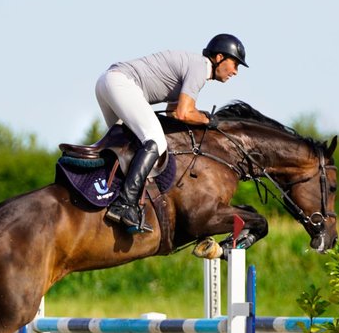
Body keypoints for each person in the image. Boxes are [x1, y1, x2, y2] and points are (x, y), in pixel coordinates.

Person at [97, 34, 247, 233]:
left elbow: (172, 113)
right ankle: (124, 205)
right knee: (155, 142)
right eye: (235, 64)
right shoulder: (201, 67)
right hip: (121, 84)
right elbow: (184, 113)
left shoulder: (193, 66)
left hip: (107, 83)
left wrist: (197, 117)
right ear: (219, 57)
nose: (235, 72)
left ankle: (107, 194)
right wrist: (208, 120)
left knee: (127, 147)